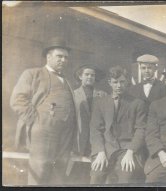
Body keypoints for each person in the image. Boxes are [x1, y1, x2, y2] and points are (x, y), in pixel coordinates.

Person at [10, 37, 76, 185]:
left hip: (64, 136)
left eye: (66, 57)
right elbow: (18, 100)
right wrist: (36, 121)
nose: (63, 60)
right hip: (43, 134)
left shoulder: (66, 81)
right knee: (39, 175)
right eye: (59, 56)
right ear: (48, 56)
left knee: (59, 176)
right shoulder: (33, 74)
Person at [89, 65, 147, 184]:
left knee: (126, 174)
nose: (119, 86)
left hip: (127, 149)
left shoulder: (137, 103)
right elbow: (95, 130)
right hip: (106, 148)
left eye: (122, 82)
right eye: (115, 82)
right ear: (110, 82)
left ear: (127, 82)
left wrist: (131, 151)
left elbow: (141, 130)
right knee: (96, 175)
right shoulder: (100, 103)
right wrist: (100, 151)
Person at [67, 64, 107, 185]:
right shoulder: (73, 94)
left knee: (94, 172)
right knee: (76, 172)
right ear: (80, 76)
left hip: (95, 140)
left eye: (92, 75)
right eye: (86, 74)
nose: (89, 77)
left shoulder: (102, 95)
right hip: (78, 138)